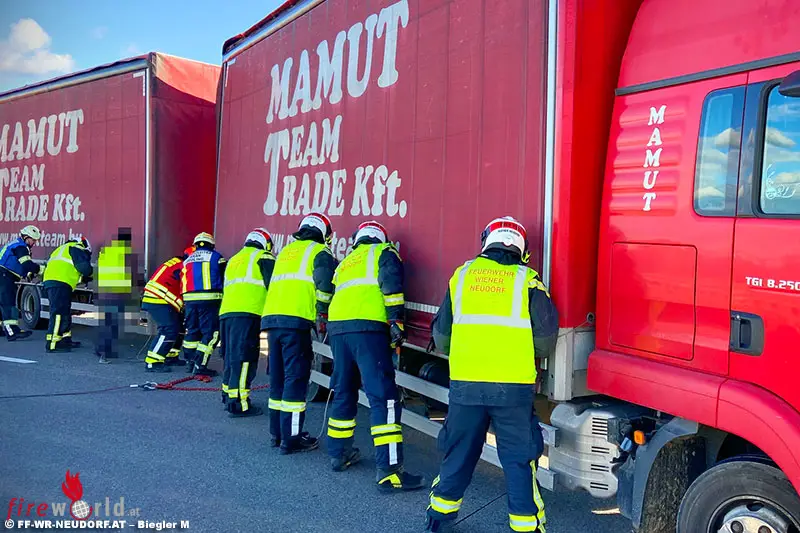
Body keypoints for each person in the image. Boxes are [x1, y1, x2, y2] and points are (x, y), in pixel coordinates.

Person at [424, 216, 558, 533]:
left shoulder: (462, 276)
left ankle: (438, 518)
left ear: (487, 241)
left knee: (459, 451)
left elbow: (441, 338)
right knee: (518, 459)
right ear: (522, 248)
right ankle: (526, 527)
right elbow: (545, 341)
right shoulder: (529, 281)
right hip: (512, 388)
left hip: (466, 385)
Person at [325, 220, 425, 492]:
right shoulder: (384, 252)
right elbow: (390, 287)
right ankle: (390, 472)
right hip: (368, 329)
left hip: (338, 329)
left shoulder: (347, 261)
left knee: (344, 390)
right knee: (384, 398)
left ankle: (339, 454)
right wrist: (396, 322)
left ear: (358, 239)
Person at [262, 213, 335, 454]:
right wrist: (323, 313)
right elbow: (325, 287)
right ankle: (291, 439)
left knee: (278, 379)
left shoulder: (286, 252)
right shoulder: (319, 252)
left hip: (273, 321)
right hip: (296, 322)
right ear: (324, 233)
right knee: (296, 379)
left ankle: (276, 434)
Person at [220, 228, 275, 417]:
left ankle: (228, 395)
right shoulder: (263, 256)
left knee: (231, 356)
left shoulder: (234, 260)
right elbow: (274, 285)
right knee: (244, 358)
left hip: (226, 312)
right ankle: (239, 403)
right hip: (248, 312)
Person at [141, 247, 193, 372]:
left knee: (179, 328)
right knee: (168, 329)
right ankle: (153, 362)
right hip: (159, 299)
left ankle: (171, 356)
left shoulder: (176, 263)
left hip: (160, 299)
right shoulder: (185, 267)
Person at [181, 233, 226, 376]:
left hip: (189, 300)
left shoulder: (187, 260)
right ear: (211, 245)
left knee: (192, 331)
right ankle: (200, 365)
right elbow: (225, 277)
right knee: (212, 333)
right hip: (210, 299)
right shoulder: (217, 257)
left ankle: (190, 362)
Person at [42, 237, 93, 353]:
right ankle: (53, 343)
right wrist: (93, 274)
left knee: (64, 312)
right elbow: (84, 268)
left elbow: (68, 268)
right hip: (60, 283)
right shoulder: (76, 248)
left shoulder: (61, 249)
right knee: (58, 313)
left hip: (54, 282)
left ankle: (65, 340)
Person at [95, 227, 136, 362]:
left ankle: (100, 350)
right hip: (117, 294)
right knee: (112, 325)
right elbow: (132, 274)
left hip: (104, 292)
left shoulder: (106, 251)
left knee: (105, 323)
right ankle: (106, 353)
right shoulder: (126, 252)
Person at [0, 225, 42, 341]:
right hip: (4, 276)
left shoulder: (15, 244)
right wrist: (41, 270)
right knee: (8, 303)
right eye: (33, 240)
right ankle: (12, 332)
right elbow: (27, 264)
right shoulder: (21, 247)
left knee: (2, 303)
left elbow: (19, 264)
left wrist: (27, 274)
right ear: (26, 237)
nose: (34, 243)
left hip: (3, 274)